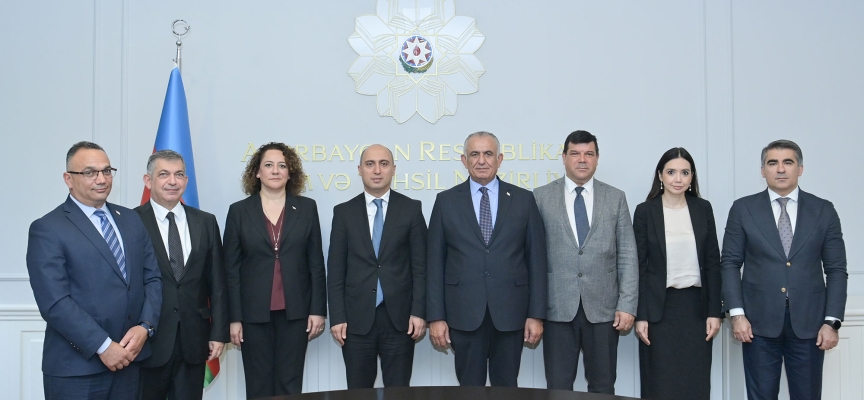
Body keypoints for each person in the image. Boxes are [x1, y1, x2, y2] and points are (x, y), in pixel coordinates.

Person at [26, 141, 162, 399]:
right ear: (68, 179)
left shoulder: (131, 219)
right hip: (77, 370)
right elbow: (54, 302)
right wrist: (103, 346)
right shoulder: (48, 228)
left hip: (131, 361)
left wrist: (145, 327)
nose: (101, 179)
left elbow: (152, 278)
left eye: (107, 171)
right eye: (90, 172)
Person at [722, 139, 847, 400]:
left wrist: (832, 322)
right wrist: (737, 315)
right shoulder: (743, 209)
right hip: (757, 324)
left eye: (787, 162)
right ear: (763, 170)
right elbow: (730, 263)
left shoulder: (823, 210)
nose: (780, 169)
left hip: (810, 325)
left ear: (800, 168)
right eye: (773, 163)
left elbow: (836, 269)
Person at [427, 131, 547, 387]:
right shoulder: (446, 201)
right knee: (469, 390)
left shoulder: (523, 200)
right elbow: (434, 264)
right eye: (474, 154)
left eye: (488, 154)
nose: (481, 160)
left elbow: (536, 261)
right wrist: (436, 317)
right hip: (464, 315)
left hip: (511, 315)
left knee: (507, 389)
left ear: (499, 159)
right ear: (464, 160)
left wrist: (536, 315)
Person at [533, 130, 637, 394]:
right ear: (564, 158)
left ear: (597, 158)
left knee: (603, 386)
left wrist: (627, 305)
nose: (582, 159)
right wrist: (534, 310)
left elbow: (627, 255)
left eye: (589, 154)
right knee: (558, 387)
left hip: (604, 311)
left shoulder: (615, 197)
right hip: (556, 309)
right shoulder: (540, 197)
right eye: (575, 154)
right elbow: (532, 257)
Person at [223, 142, 327, 397]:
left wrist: (317, 310)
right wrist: (234, 318)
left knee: (290, 384)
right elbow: (230, 270)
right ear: (257, 172)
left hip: (296, 313)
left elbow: (316, 262)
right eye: (268, 165)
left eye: (282, 166)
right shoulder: (239, 211)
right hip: (252, 314)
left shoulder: (307, 208)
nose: (275, 171)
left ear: (290, 173)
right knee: (257, 384)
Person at [327, 144, 428, 388]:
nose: (377, 170)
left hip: (400, 320)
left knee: (398, 391)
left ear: (393, 169)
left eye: (384, 164)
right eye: (370, 164)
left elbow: (421, 268)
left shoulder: (411, 209)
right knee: (358, 392)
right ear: (360, 169)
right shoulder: (343, 212)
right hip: (356, 321)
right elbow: (336, 271)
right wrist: (337, 317)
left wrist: (419, 312)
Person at [135, 150, 229, 400]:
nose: (172, 181)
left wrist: (218, 333)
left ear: (186, 181)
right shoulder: (131, 222)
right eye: (164, 174)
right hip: (148, 342)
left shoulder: (206, 222)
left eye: (178, 175)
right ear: (148, 181)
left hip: (194, 339)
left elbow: (218, 284)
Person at [632, 147, 722, 400]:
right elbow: (638, 266)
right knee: (660, 384)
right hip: (658, 311)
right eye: (671, 172)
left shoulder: (702, 208)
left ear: (692, 177)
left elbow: (712, 262)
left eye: (685, 173)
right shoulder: (645, 211)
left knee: (695, 383)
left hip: (696, 310)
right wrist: (641, 315)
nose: (678, 179)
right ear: (660, 175)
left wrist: (715, 311)